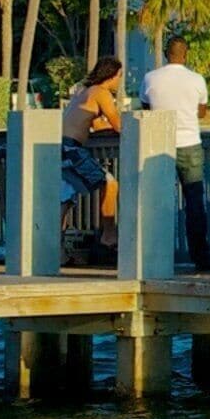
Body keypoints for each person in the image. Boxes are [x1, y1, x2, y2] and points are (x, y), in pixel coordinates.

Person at [144, 39, 210, 271]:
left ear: (166, 54)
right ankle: (201, 259)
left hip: (158, 146)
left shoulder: (151, 78)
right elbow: (201, 113)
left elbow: (147, 110)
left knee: (157, 201)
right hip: (189, 144)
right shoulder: (196, 79)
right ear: (186, 55)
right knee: (194, 202)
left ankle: (153, 257)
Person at [60, 55, 124, 264]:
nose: (119, 81)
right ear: (111, 76)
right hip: (71, 149)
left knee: (66, 198)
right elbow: (119, 125)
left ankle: (57, 250)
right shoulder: (101, 92)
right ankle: (108, 236)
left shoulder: (86, 91)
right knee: (110, 183)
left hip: (61, 147)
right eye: (119, 76)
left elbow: (96, 126)